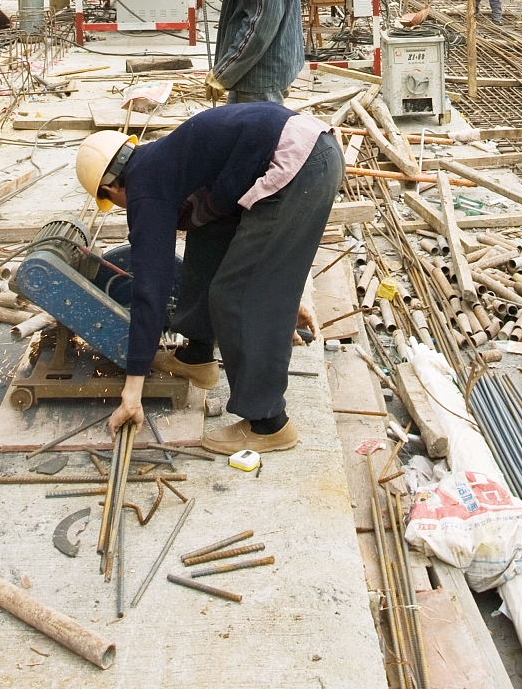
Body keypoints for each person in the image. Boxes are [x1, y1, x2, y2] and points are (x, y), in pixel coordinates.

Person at [77, 103, 344, 455]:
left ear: (111, 190)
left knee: (237, 295)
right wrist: (281, 295)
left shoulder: (147, 188)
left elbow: (150, 290)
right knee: (207, 232)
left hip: (301, 165)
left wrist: (132, 389)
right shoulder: (165, 158)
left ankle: (268, 424)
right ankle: (198, 357)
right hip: (312, 149)